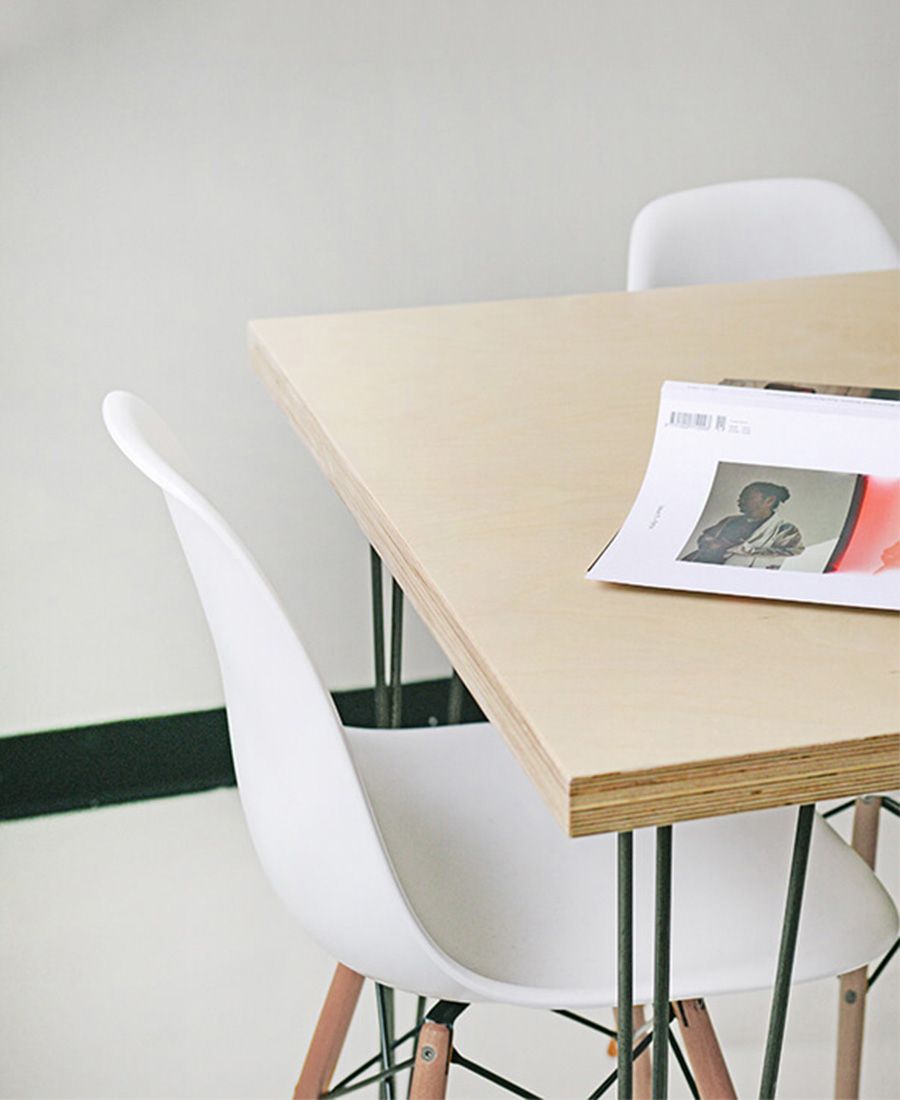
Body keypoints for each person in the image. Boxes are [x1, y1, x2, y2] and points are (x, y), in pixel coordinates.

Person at [682, 482, 804, 569]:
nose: (740, 501)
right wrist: (709, 543)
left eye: (747, 497)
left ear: (769, 501)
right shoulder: (730, 520)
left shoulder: (786, 529)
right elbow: (706, 536)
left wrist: (743, 549)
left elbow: (793, 555)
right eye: (740, 497)